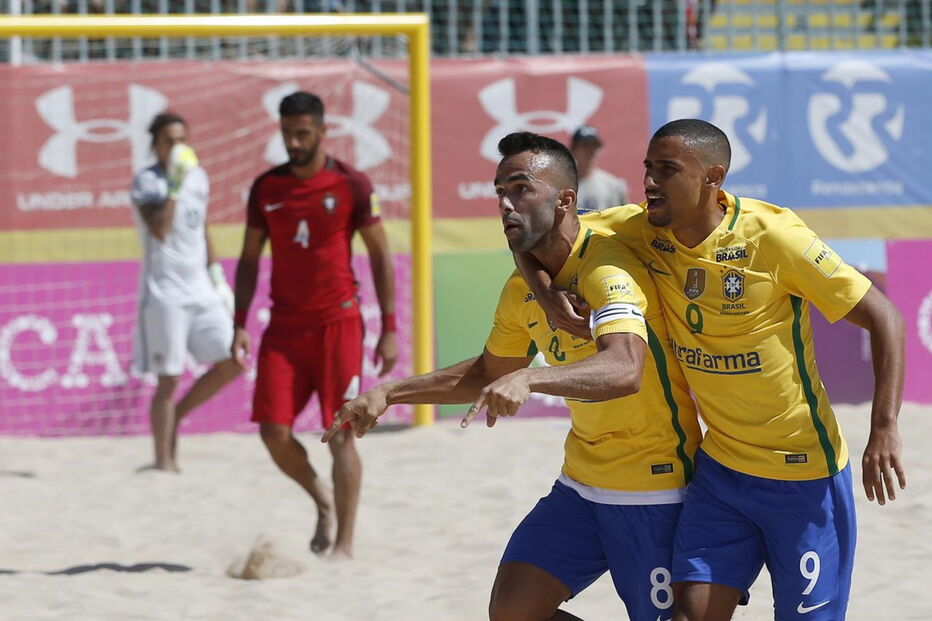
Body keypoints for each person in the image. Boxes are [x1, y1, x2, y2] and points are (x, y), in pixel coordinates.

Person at [519, 118, 907, 620]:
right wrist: (547, 294)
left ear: (713, 178)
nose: (650, 181)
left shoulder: (772, 236)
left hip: (803, 476)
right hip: (720, 475)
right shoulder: (639, 227)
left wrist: (884, 427)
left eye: (667, 170)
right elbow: (539, 229)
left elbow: (885, 316)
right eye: (647, 168)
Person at [323, 132, 701, 620]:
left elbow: (626, 367)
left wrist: (531, 379)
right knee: (512, 613)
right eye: (499, 190)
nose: (504, 202)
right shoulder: (520, 289)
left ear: (567, 199)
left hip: (656, 489)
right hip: (581, 486)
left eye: (520, 188)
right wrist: (390, 392)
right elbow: (488, 371)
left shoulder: (610, 266)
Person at [231, 91, 397, 559]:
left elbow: (381, 256)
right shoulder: (266, 188)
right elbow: (248, 260)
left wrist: (389, 326)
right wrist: (239, 322)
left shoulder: (352, 184)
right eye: (287, 133)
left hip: (337, 324)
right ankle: (321, 501)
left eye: (303, 133)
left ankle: (344, 546)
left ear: (323, 132)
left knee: (342, 433)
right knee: (272, 432)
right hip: (283, 328)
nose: (294, 142)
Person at [131, 112, 241, 472]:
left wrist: (216, 273)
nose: (177, 147)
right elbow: (160, 228)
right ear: (155, 144)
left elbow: (201, 225)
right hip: (165, 292)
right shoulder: (147, 181)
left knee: (233, 360)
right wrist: (174, 187)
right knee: (169, 378)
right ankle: (164, 462)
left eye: (182, 140)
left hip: (200, 288)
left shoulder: (198, 176)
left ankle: (177, 415)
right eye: (169, 140)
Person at [570, 125, 628, 213]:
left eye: (594, 146)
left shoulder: (612, 185)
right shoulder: (563, 184)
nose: (590, 151)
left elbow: (624, 217)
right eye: (585, 146)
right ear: (573, 149)